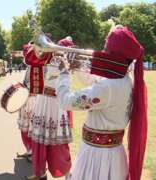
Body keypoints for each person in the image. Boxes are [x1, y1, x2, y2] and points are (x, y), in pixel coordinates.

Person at [56, 26, 147, 180]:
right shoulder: (125, 79)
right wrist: (75, 64)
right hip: (112, 154)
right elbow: (94, 81)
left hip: (97, 157)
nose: (103, 52)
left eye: (106, 48)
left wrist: (64, 72)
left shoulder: (109, 87)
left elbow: (65, 101)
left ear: (115, 55)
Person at [26, 38, 74, 180]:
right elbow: (29, 57)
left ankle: (67, 174)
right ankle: (39, 172)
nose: (60, 53)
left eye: (64, 51)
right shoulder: (48, 58)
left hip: (57, 105)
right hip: (43, 101)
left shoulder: (70, 65)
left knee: (59, 144)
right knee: (39, 141)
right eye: (59, 49)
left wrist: (65, 65)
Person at [16, 44, 35, 160]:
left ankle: (34, 152)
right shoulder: (28, 67)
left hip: (34, 101)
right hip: (26, 100)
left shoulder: (38, 67)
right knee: (25, 127)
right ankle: (29, 150)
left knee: (33, 127)